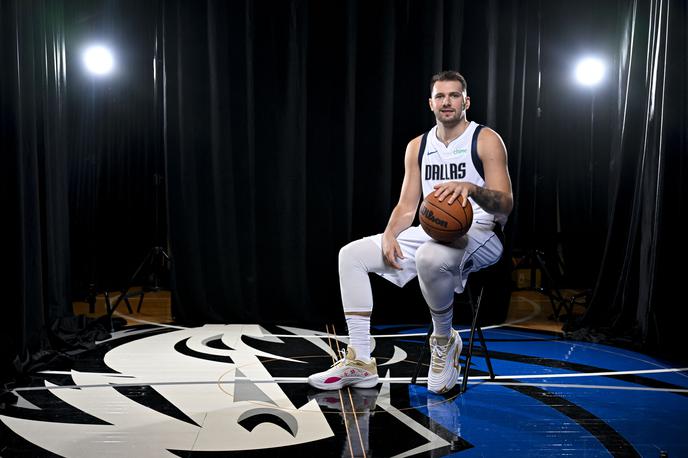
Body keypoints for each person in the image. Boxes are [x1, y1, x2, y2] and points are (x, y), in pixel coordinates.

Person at [308, 70, 513, 394]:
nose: (447, 102)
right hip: (434, 230)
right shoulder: (418, 146)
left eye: (454, 95)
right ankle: (360, 361)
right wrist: (390, 233)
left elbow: (505, 205)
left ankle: (444, 341)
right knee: (351, 256)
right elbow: (407, 206)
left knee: (431, 257)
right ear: (431, 103)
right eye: (440, 96)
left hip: (481, 231)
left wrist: (473, 189)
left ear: (466, 101)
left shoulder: (485, 139)